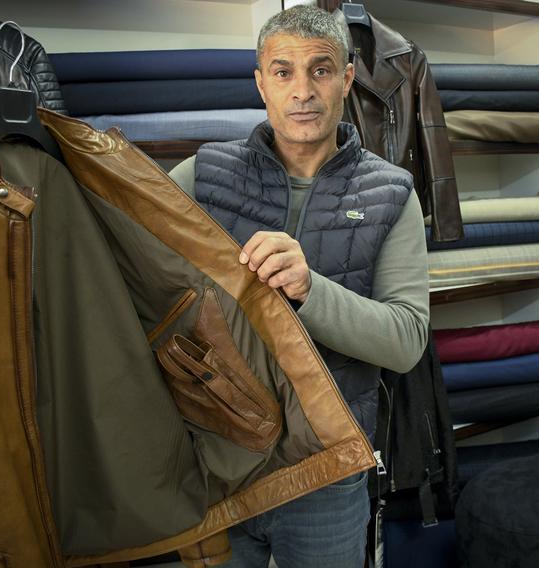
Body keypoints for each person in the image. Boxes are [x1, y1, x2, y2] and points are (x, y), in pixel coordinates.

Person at [167, 5, 429, 566]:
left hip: (327, 473)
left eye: (321, 69)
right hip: (217, 462)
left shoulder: (392, 194)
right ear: (261, 82)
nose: (302, 90)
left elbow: (407, 342)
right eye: (283, 71)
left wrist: (311, 288)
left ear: (348, 78)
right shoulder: (201, 177)